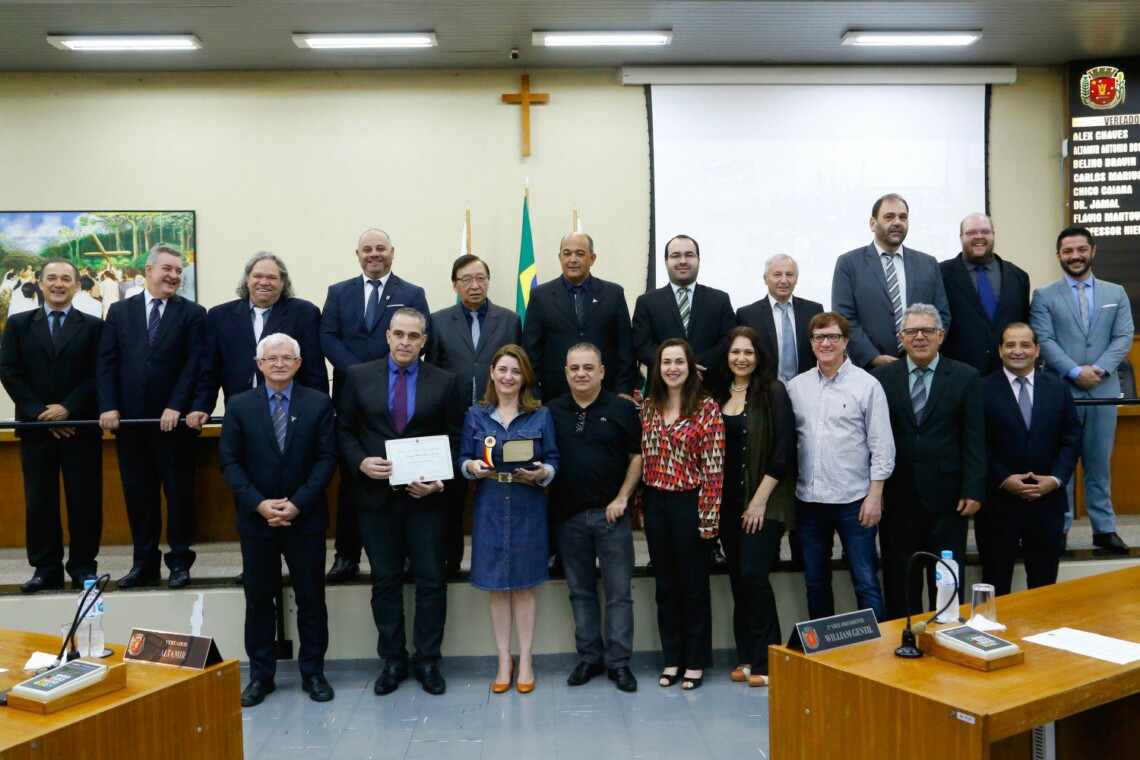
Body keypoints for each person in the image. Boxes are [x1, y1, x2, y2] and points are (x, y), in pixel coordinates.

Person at [336, 308, 464, 697]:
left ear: (425, 341)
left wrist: (439, 481)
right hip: (376, 500)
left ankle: (427, 660)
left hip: (426, 502)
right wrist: (360, 461)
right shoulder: (358, 377)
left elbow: (457, 439)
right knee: (385, 581)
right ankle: (392, 660)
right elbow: (342, 430)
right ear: (388, 337)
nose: (406, 342)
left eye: (414, 336)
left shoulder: (445, 382)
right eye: (400, 335)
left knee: (430, 581)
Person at [219, 333, 337, 706]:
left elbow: (326, 460)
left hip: (306, 519)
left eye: (287, 358)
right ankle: (260, 677)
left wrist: (298, 504)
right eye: (272, 358)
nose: (280, 364)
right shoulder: (238, 406)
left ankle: (313, 673)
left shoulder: (319, 404)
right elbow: (230, 463)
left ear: (299, 364)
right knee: (258, 601)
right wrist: (260, 504)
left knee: (311, 600)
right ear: (259, 364)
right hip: (257, 522)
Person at [320, 228, 431, 582]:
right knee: (355, 476)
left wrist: (381, 373)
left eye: (380, 248)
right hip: (353, 394)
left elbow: (419, 340)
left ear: (392, 252)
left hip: (399, 392)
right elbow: (327, 336)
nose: (374, 254)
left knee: (404, 477)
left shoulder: (412, 293)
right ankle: (346, 555)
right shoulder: (339, 293)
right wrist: (360, 374)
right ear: (357, 254)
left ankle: (410, 554)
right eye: (367, 249)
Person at [97, 244, 206, 588]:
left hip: (175, 425)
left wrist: (176, 405)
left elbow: (194, 365)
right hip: (130, 426)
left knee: (178, 496)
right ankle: (144, 564)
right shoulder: (119, 311)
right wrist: (108, 406)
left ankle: (179, 562)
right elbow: (107, 363)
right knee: (139, 497)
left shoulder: (193, 313)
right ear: (148, 270)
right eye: (167, 269)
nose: (174, 275)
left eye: (178, 271)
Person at [872, 304, 985, 620]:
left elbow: (974, 438)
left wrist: (973, 488)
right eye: (911, 331)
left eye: (927, 331)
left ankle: (945, 638)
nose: (919, 337)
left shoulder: (965, 376)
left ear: (941, 335)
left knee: (946, 578)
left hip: (949, 498)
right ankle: (903, 640)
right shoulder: (880, 378)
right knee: (899, 577)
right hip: (897, 496)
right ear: (901, 337)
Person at [458, 344, 559, 694]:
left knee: (525, 586)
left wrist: (542, 471)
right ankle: (504, 659)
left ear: (524, 377)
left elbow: (554, 460)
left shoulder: (540, 415)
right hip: (488, 503)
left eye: (515, 371)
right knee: (497, 589)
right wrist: (471, 467)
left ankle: (526, 659)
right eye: (502, 369)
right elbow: (463, 459)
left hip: (526, 504)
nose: (508, 377)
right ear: (491, 373)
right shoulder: (476, 414)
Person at [0, 259, 103, 593]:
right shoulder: (17, 324)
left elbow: (97, 374)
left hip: (80, 427)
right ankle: (45, 569)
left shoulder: (93, 326)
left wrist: (68, 409)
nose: (58, 284)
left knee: (84, 501)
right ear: (40, 284)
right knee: (40, 501)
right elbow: (10, 371)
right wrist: (41, 414)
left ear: (76, 286)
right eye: (52, 278)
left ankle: (84, 566)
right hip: (36, 430)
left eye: (66, 279)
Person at [1030, 226, 1133, 554]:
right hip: (1061, 392)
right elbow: (1043, 340)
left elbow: (1123, 337)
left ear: (1092, 251)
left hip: (1103, 390)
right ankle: (1058, 528)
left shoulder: (1115, 293)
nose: (1075, 256)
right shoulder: (1044, 296)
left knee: (1098, 463)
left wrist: (1098, 370)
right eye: (1067, 251)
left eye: (1080, 250)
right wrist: (1074, 371)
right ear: (1058, 255)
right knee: (1061, 465)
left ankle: (1104, 529)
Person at [548, 343, 641, 693]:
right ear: (566, 372)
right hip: (568, 517)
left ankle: (619, 663)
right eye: (574, 368)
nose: (581, 374)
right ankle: (589, 658)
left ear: (602, 371)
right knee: (581, 592)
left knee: (619, 593)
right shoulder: (551, 411)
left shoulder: (621, 409)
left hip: (611, 516)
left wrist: (622, 498)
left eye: (589, 367)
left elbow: (637, 457)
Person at [787, 312, 893, 622]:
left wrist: (875, 496)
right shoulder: (797, 387)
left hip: (854, 502)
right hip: (809, 502)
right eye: (819, 337)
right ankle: (825, 655)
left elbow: (882, 446)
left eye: (833, 336)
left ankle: (878, 659)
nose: (826, 343)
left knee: (866, 582)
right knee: (816, 582)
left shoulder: (867, 385)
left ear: (845, 341)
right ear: (811, 343)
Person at [425, 254, 522, 575]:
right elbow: (432, 373)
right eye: (466, 279)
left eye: (481, 278)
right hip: (453, 423)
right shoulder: (438, 321)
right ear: (455, 285)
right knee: (450, 496)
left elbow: (521, 370)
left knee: (497, 494)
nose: (475, 285)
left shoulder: (509, 320)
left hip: (498, 421)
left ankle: (497, 560)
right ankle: (450, 559)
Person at [640, 338, 724, 691]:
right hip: (656, 504)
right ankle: (672, 658)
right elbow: (645, 460)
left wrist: (708, 519)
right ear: (657, 368)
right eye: (665, 362)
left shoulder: (706, 408)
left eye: (679, 362)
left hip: (691, 504)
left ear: (691, 367)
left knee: (693, 587)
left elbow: (714, 469)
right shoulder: (648, 407)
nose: (672, 368)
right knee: (665, 586)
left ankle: (695, 661)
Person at [713, 326, 795, 687]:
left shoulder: (773, 391)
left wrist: (759, 502)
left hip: (767, 501)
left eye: (748, 352)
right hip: (728, 504)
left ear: (759, 355)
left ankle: (768, 659)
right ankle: (745, 656)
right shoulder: (715, 396)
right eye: (735, 352)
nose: (741, 358)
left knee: (753, 576)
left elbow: (784, 449)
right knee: (737, 580)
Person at [977, 323, 1081, 596]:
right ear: (1000, 350)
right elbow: (975, 443)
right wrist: (1002, 478)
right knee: (995, 582)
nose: (1017, 351)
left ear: (1037, 350)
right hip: (999, 504)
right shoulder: (980, 389)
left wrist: (1055, 480)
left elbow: (1071, 439)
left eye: (1025, 345)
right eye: (1010, 345)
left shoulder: (1058, 389)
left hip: (1047, 503)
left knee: (1044, 584)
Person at [188, 252, 327, 430]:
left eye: (272, 277)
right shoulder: (220, 316)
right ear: (247, 280)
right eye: (257, 276)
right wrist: (201, 406)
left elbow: (314, 370)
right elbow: (209, 371)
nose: (264, 282)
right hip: (240, 414)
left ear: (282, 283)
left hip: (292, 414)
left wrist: (320, 411)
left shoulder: (304, 313)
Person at [831, 193, 951, 369]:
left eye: (903, 217)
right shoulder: (849, 263)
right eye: (889, 217)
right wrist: (873, 357)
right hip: (868, 370)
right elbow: (843, 317)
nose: (897, 222)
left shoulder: (928, 264)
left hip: (921, 367)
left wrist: (924, 352)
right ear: (873, 223)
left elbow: (942, 315)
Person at [522, 231, 637, 402]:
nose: (573, 259)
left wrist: (624, 390)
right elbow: (531, 351)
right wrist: (533, 394)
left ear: (592, 258)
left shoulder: (613, 294)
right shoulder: (540, 296)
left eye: (580, 254)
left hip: (607, 394)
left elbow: (625, 348)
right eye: (567, 253)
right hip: (554, 396)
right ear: (559, 257)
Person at [939, 213, 1030, 375]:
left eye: (985, 232)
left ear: (993, 235)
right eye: (971, 232)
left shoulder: (1018, 276)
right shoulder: (940, 274)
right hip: (958, 376)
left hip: (1007, 375)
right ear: (961, 237)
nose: (979, 237)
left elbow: (1024, 324)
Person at [632, 234, 735, 374]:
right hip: (662, 388)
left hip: (710, 386)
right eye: (675, 256)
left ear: (698, 260)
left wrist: (694, 366)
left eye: (689, 255)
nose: (683, 261)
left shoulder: (719, 300)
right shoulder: (647, 302)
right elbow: (642, 345)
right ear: (666, 261)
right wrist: (676, 365)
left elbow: (727, 341)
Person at [736, 254, 824, 383]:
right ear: (765, 279)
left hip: (807, 389)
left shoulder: (813, 311)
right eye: (777, 275)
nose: (784, 280)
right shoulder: (747, 315)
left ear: (796, 279)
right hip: (764, 390)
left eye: (789, 274)